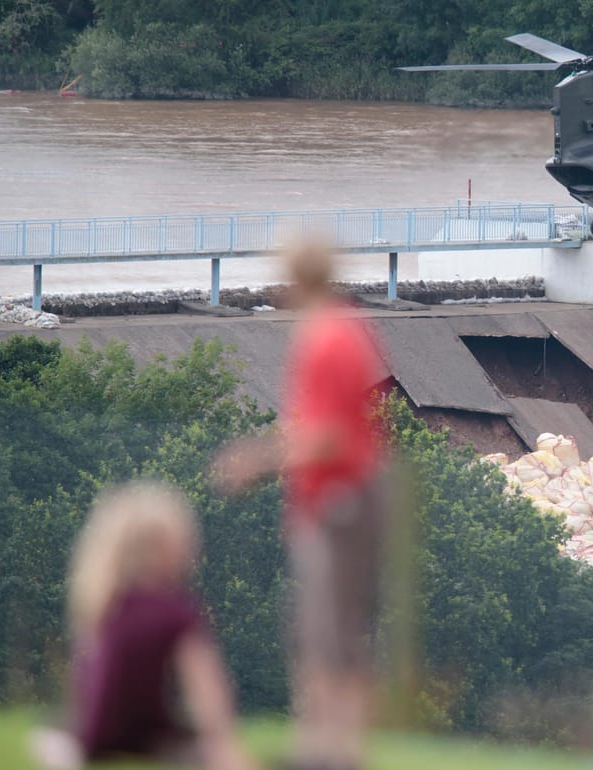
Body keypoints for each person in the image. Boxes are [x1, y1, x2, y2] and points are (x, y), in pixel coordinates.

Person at [214, 237, 388, 770]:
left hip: (338, 500)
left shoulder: (323, 338)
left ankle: (325, 752)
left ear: (292, 279)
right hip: (357, 496)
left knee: (323, 635)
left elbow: (329, 437)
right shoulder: (349, 327)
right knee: (342, 635)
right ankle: (336, 749)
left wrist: (257, 461)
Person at [32, 481, 253, 770]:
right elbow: (206, 688)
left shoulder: (102, 604)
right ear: (167, 547)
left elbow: (86, 677)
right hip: (153, 735)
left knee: (48, 735)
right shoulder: (177, 613)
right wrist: (223, 745)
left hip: (97, 736)